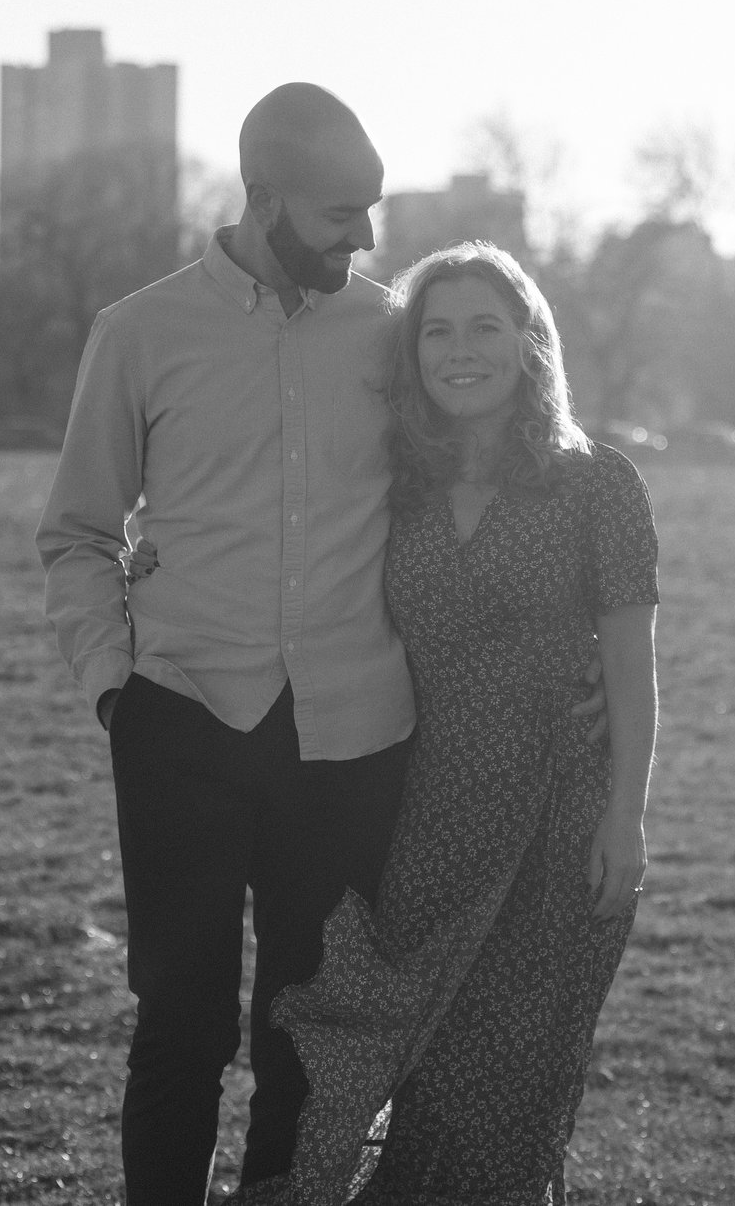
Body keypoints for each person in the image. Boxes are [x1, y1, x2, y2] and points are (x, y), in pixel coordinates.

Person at [36, 84, 415, 1206]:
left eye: (372, 210)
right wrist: (115, 688)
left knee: (305, 1023)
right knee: (180, 1023)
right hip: (181, 726)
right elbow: (78, 531)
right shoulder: (140, 331)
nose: (363, 235)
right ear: (262, 197)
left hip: (349, 736)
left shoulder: (397, 335)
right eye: (341, 211)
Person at [273, 242, 660, 1205]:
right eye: (437, 330)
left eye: (485, 325)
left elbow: (631, 662)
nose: (460, 349)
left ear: (529, 341)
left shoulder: (597, 484)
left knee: (513, 1080)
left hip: (557, 817)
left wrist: (626, 819)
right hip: (424, 817)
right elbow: (283, 558)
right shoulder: (390, 482)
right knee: (422, 1069)